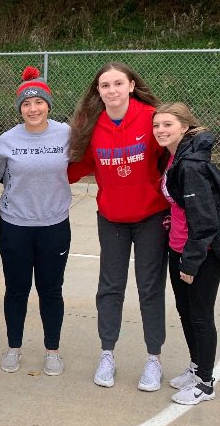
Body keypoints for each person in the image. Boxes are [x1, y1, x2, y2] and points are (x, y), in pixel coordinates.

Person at [68, 61, 169, 391]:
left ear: (130, 85)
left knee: (149, 288)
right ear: (98, 91)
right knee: (110, 288)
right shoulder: (91, 124)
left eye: (117, 83)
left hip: (151, 217)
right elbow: (75, 166)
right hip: (111, 218)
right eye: (104, 85)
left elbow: (175, 153)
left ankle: (153, 359)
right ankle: (107, 354)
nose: (111, 90)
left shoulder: (151, 117)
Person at [0, 67, 72, 377]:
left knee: (51, 290)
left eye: (38, 102)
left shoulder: (66, 134)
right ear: (19, 108)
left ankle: (52, 350)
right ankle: (14, 347)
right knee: (17, 289)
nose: (33, 108)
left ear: (48, 105)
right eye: (26, 104)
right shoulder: (7, 141)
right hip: (15, 226)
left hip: (54, 226)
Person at [153, 102, 220, 406]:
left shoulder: (191, 164)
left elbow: (205, 222)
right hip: (178, 245)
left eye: (168, 124)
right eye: (157, 125)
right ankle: (197, 367)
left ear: (185, 126)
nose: (161, 130)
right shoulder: (175, 157)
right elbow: (181, 204)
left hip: (200, 253)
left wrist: (191, 262)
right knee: (186, 312)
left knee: (201, 316)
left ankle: (205, 384)